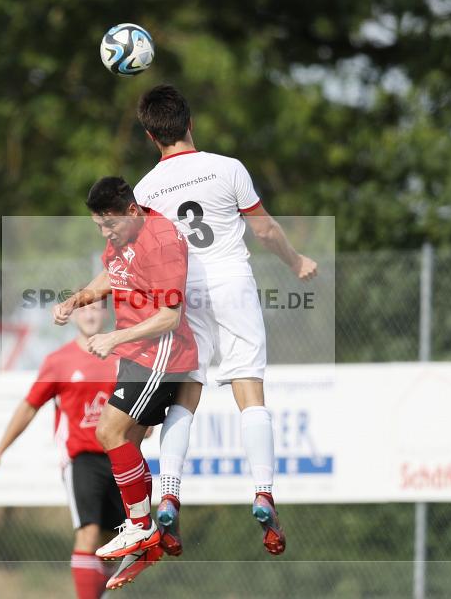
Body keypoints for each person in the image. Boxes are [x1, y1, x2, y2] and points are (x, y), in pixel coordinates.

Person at [133, 84, 319, 557]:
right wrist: (296, 262)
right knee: (250, 391)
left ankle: (169, 493)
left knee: (185, 398)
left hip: (182, 293)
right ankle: (262, 492)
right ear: (190, 124)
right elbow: (264, 229)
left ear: (152, 136)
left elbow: (141, 259)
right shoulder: (227, 167)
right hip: (232, 283)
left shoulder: (145, 190)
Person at [52, 176, 198, 588]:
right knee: (127, 445)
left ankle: (142, 527)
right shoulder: (122, 234)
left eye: (109, 225)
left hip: (161, 352)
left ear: (132, 211)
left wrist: (114, 337)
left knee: (108, 431)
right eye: (98, 226)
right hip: (134, 355)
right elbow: (110, 275)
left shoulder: (163, 241)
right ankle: (147, 544)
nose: (104, 233)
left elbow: (170, 316)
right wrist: (76, 299)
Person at [0, 303, 126, 599]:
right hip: (82, 458)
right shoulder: (59, 361)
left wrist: (143, 422)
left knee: (115, 541)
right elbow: (29, 406)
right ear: (74, 315)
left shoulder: (123, 356)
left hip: (120, 456)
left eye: (96, 309)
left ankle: (99, 594)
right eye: (83, 309)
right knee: (88, 532)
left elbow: (136, 402)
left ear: (105, 314)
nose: (89, 315)